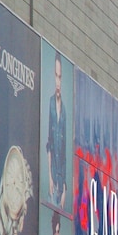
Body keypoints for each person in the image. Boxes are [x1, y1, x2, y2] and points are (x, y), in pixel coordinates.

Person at [46, 54, 68, 208]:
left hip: (61, 182)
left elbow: (65, 152)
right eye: (56, 76)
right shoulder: (50, 103)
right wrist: (49, 176)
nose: (58, 82)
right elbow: (49, 144)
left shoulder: (64, 111)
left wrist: (65, 186)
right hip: (53, 180)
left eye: (60, 77)